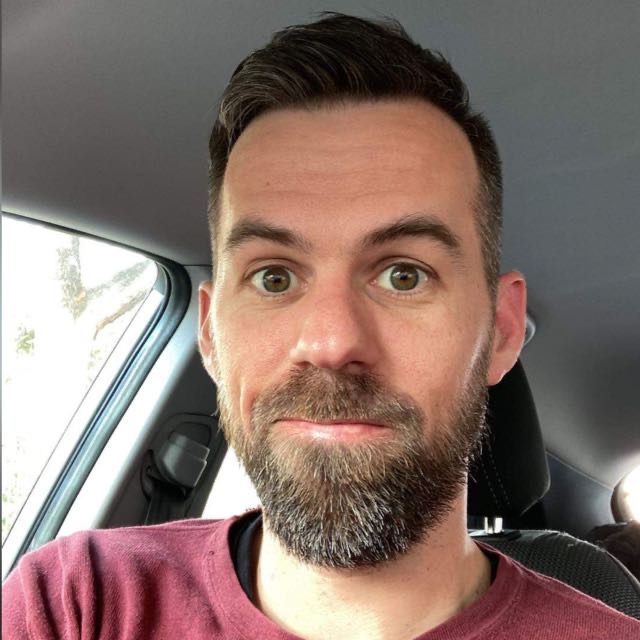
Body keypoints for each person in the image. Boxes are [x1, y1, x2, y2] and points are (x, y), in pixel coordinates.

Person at [3, 13, 639, 640]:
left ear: (500, 331)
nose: (331, 344)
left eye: (404, 275)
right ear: (211, 335)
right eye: (273, 278)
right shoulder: (74, 604)